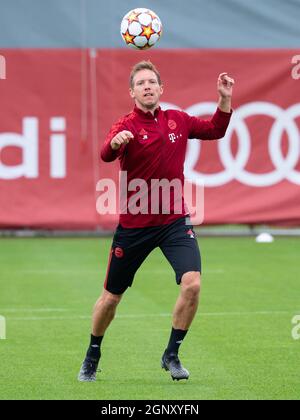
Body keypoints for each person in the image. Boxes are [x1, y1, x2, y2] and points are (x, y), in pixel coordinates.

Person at [78, 60, 234, 382]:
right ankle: (92, 353)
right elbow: (105, 153)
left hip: (174, 221)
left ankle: (172, 354)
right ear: (132, 92)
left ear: (162, 89)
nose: (147, 86)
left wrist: (223, 99)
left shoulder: (177, 120)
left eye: (152, 82)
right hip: (134, 227)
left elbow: (215, 129)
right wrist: (115, 144)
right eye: (141, 83)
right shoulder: (126, 125)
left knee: (192, 284)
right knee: (111, 297)